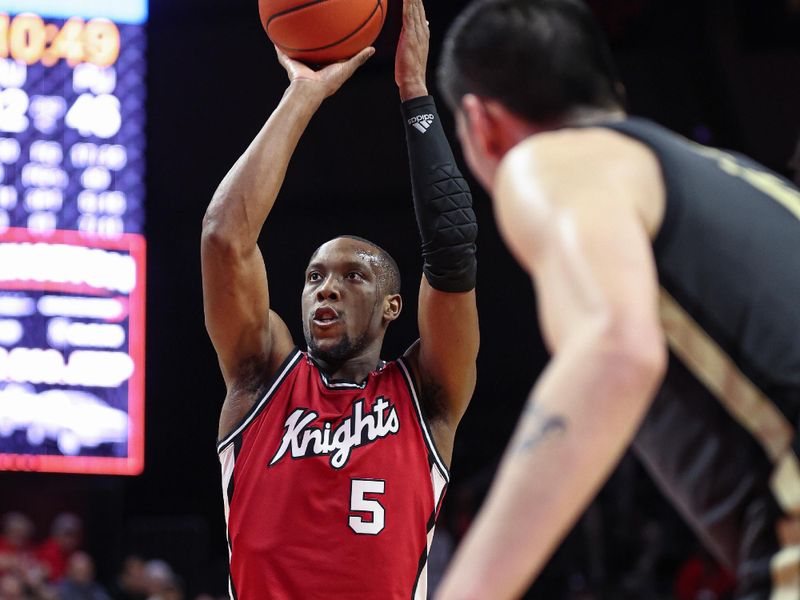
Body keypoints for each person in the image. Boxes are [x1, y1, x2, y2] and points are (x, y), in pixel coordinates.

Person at [432, 1, 800, 599]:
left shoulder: (548, 160)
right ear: (613, 93)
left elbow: (614, 351)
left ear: (480, 123)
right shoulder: (735, 176)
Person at [201, 0, 479, 597]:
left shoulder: (426, 396)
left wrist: (414, 95)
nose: (325, 286)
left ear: (391, 307)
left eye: (353, 276)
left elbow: (453, 250)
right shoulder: (260, 379)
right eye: (312, 277)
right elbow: (225, 238)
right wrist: (302, 93)